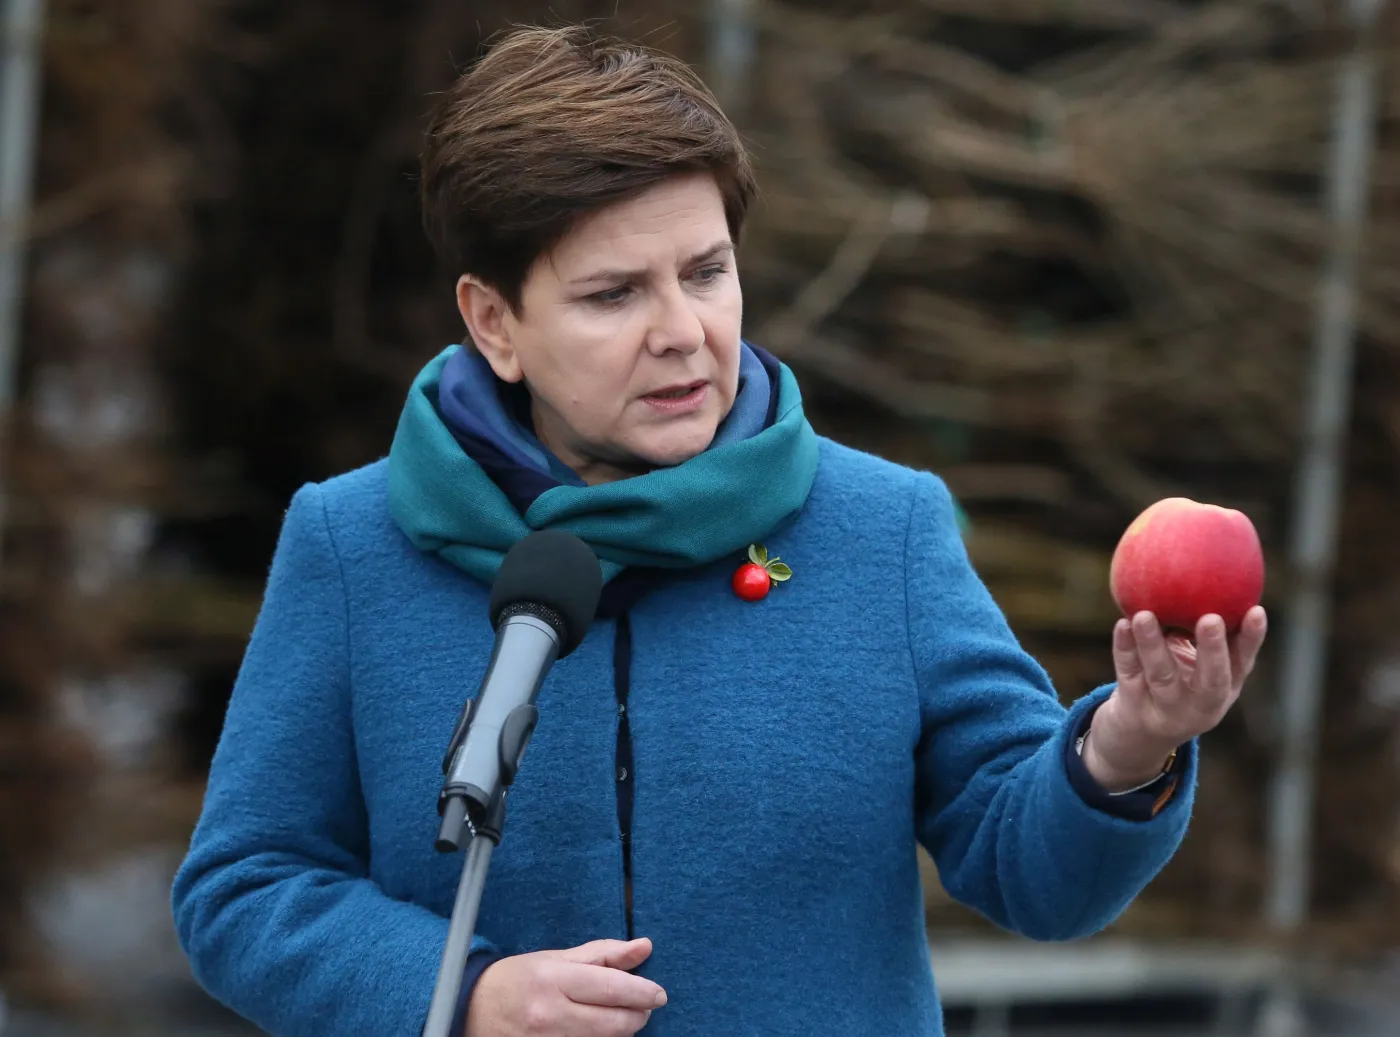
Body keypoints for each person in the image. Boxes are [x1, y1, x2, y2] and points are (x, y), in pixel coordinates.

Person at [170, 24, 1269, 1037]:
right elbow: (244, 887)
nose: (683, 331)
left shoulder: (883, 529)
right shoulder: (350, 544)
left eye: (705, 273)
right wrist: (461, 992)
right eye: (613, 294)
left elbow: (1032, 872)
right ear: (493, 321)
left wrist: (1127, 745)